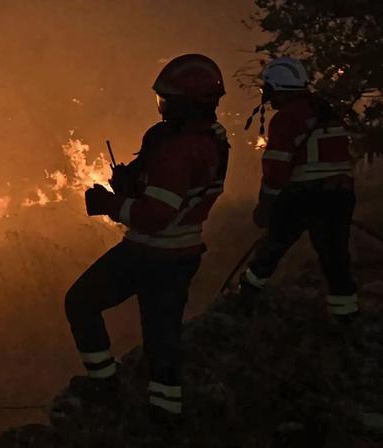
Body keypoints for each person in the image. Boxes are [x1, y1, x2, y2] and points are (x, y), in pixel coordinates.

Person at [65, 54, 229, 425]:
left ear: (187, 103)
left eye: (168, 100)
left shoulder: (180, 149)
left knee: (89, 306)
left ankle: (134, 401)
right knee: (159, 336)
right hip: (167, 253)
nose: (163, 108)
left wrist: (110, 203)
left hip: (158, 258)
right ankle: (154, 409)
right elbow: (161, 192)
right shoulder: (206, 140)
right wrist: (131, 182)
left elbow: (156, 216)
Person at [239, 57, 358, 321]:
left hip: (305, 194)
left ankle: (244, 300)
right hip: (340, 194)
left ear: (277, 88)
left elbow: (276, 168)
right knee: (336, 258)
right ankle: (346, 316)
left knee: (273, 247)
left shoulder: (288, 118)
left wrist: (266, 205)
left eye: (267, 90)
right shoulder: (325, 110)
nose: (266, 97)